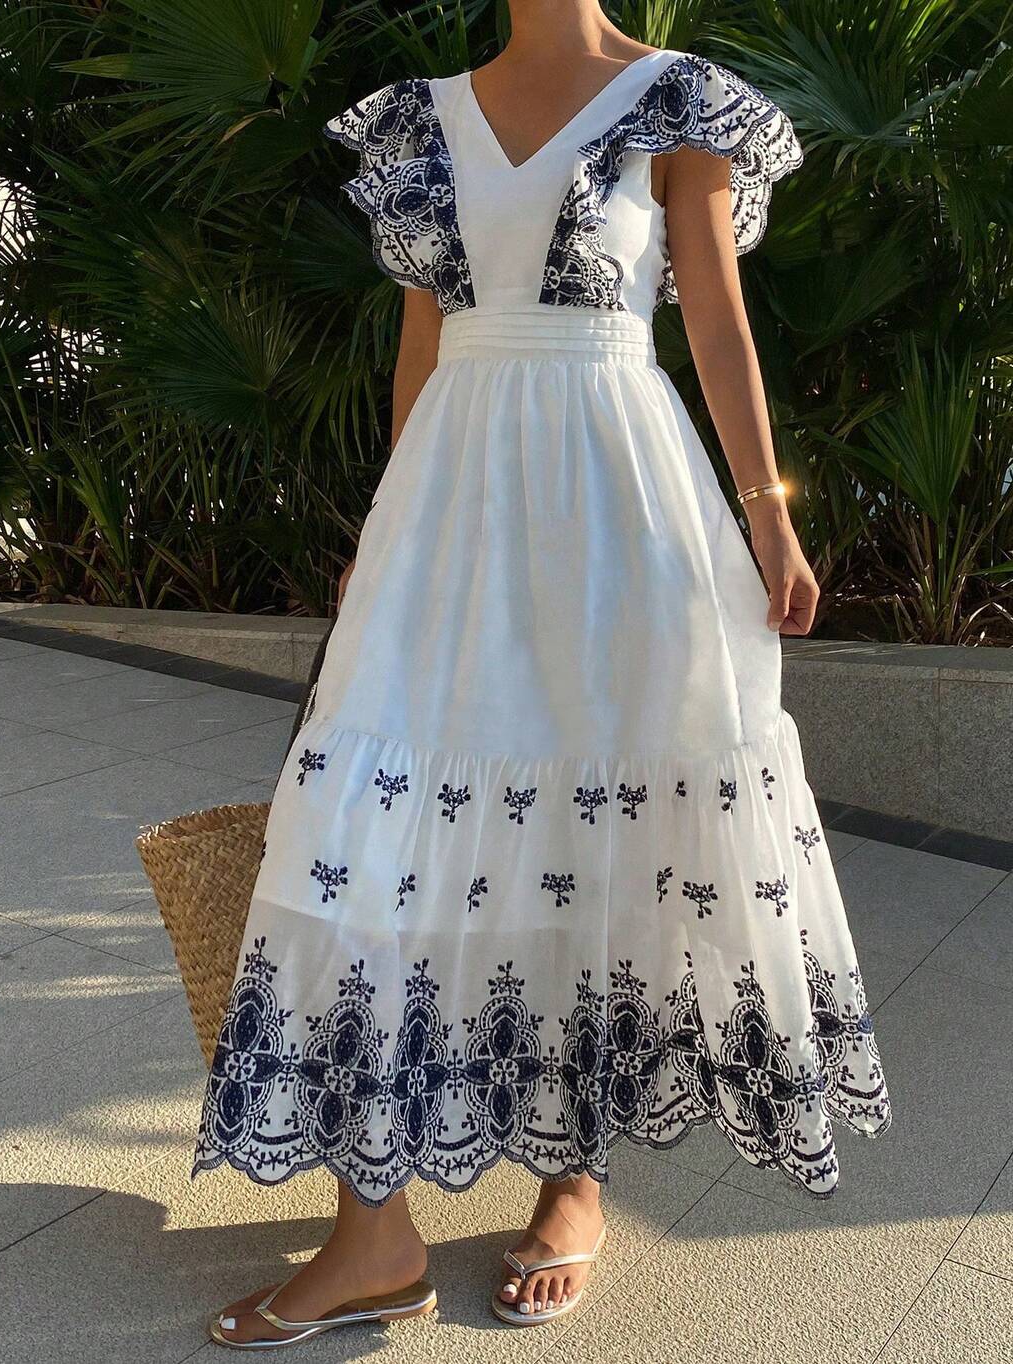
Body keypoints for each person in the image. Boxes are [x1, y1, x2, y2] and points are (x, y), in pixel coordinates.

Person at [196, 1, 891, 1347]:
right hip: (452, 507)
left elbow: (719, 325)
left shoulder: (680, 96)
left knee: (599, 831)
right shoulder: (422, 118)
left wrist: (771, 514)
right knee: (361, 835)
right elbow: (423, 344)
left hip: (622, 506)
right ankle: (374, 1233)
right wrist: (388, 534)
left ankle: (575, 1179)